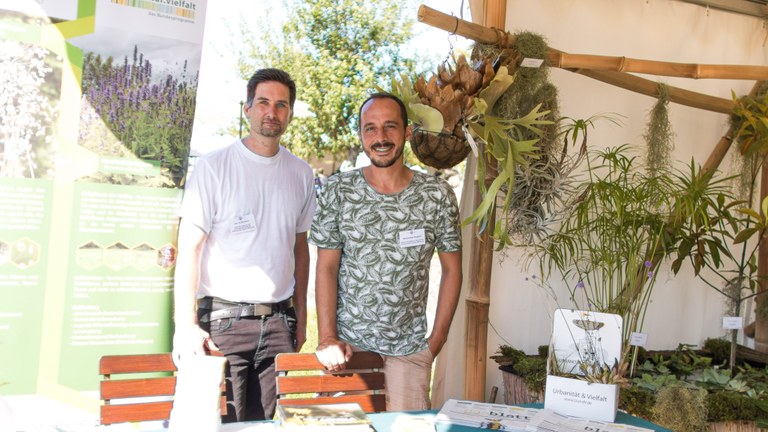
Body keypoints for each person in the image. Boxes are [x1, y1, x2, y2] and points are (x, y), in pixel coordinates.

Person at [172, 68, 316, 422]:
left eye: (281, 105)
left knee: (270, 425)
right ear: (247, 108)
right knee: (219, 424)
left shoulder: (302, 173)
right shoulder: (213, 168)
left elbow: (301, 249)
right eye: (263, 102)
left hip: (280, 323)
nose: (272, 112)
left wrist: (302, 314)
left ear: (290, 113)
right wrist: (185, 324)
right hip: (222, 325)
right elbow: (189, 249)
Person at [310, 92, 463, 411]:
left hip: (409, 353)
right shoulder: (339, 191)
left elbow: (452, 270)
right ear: (361, 135)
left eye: (390, 127)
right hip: (348, 351)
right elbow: (325, 268)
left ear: (407, 132)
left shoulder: (436, 195)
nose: (380, 137)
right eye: (370, 128)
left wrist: (434, 343)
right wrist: (327, 338)